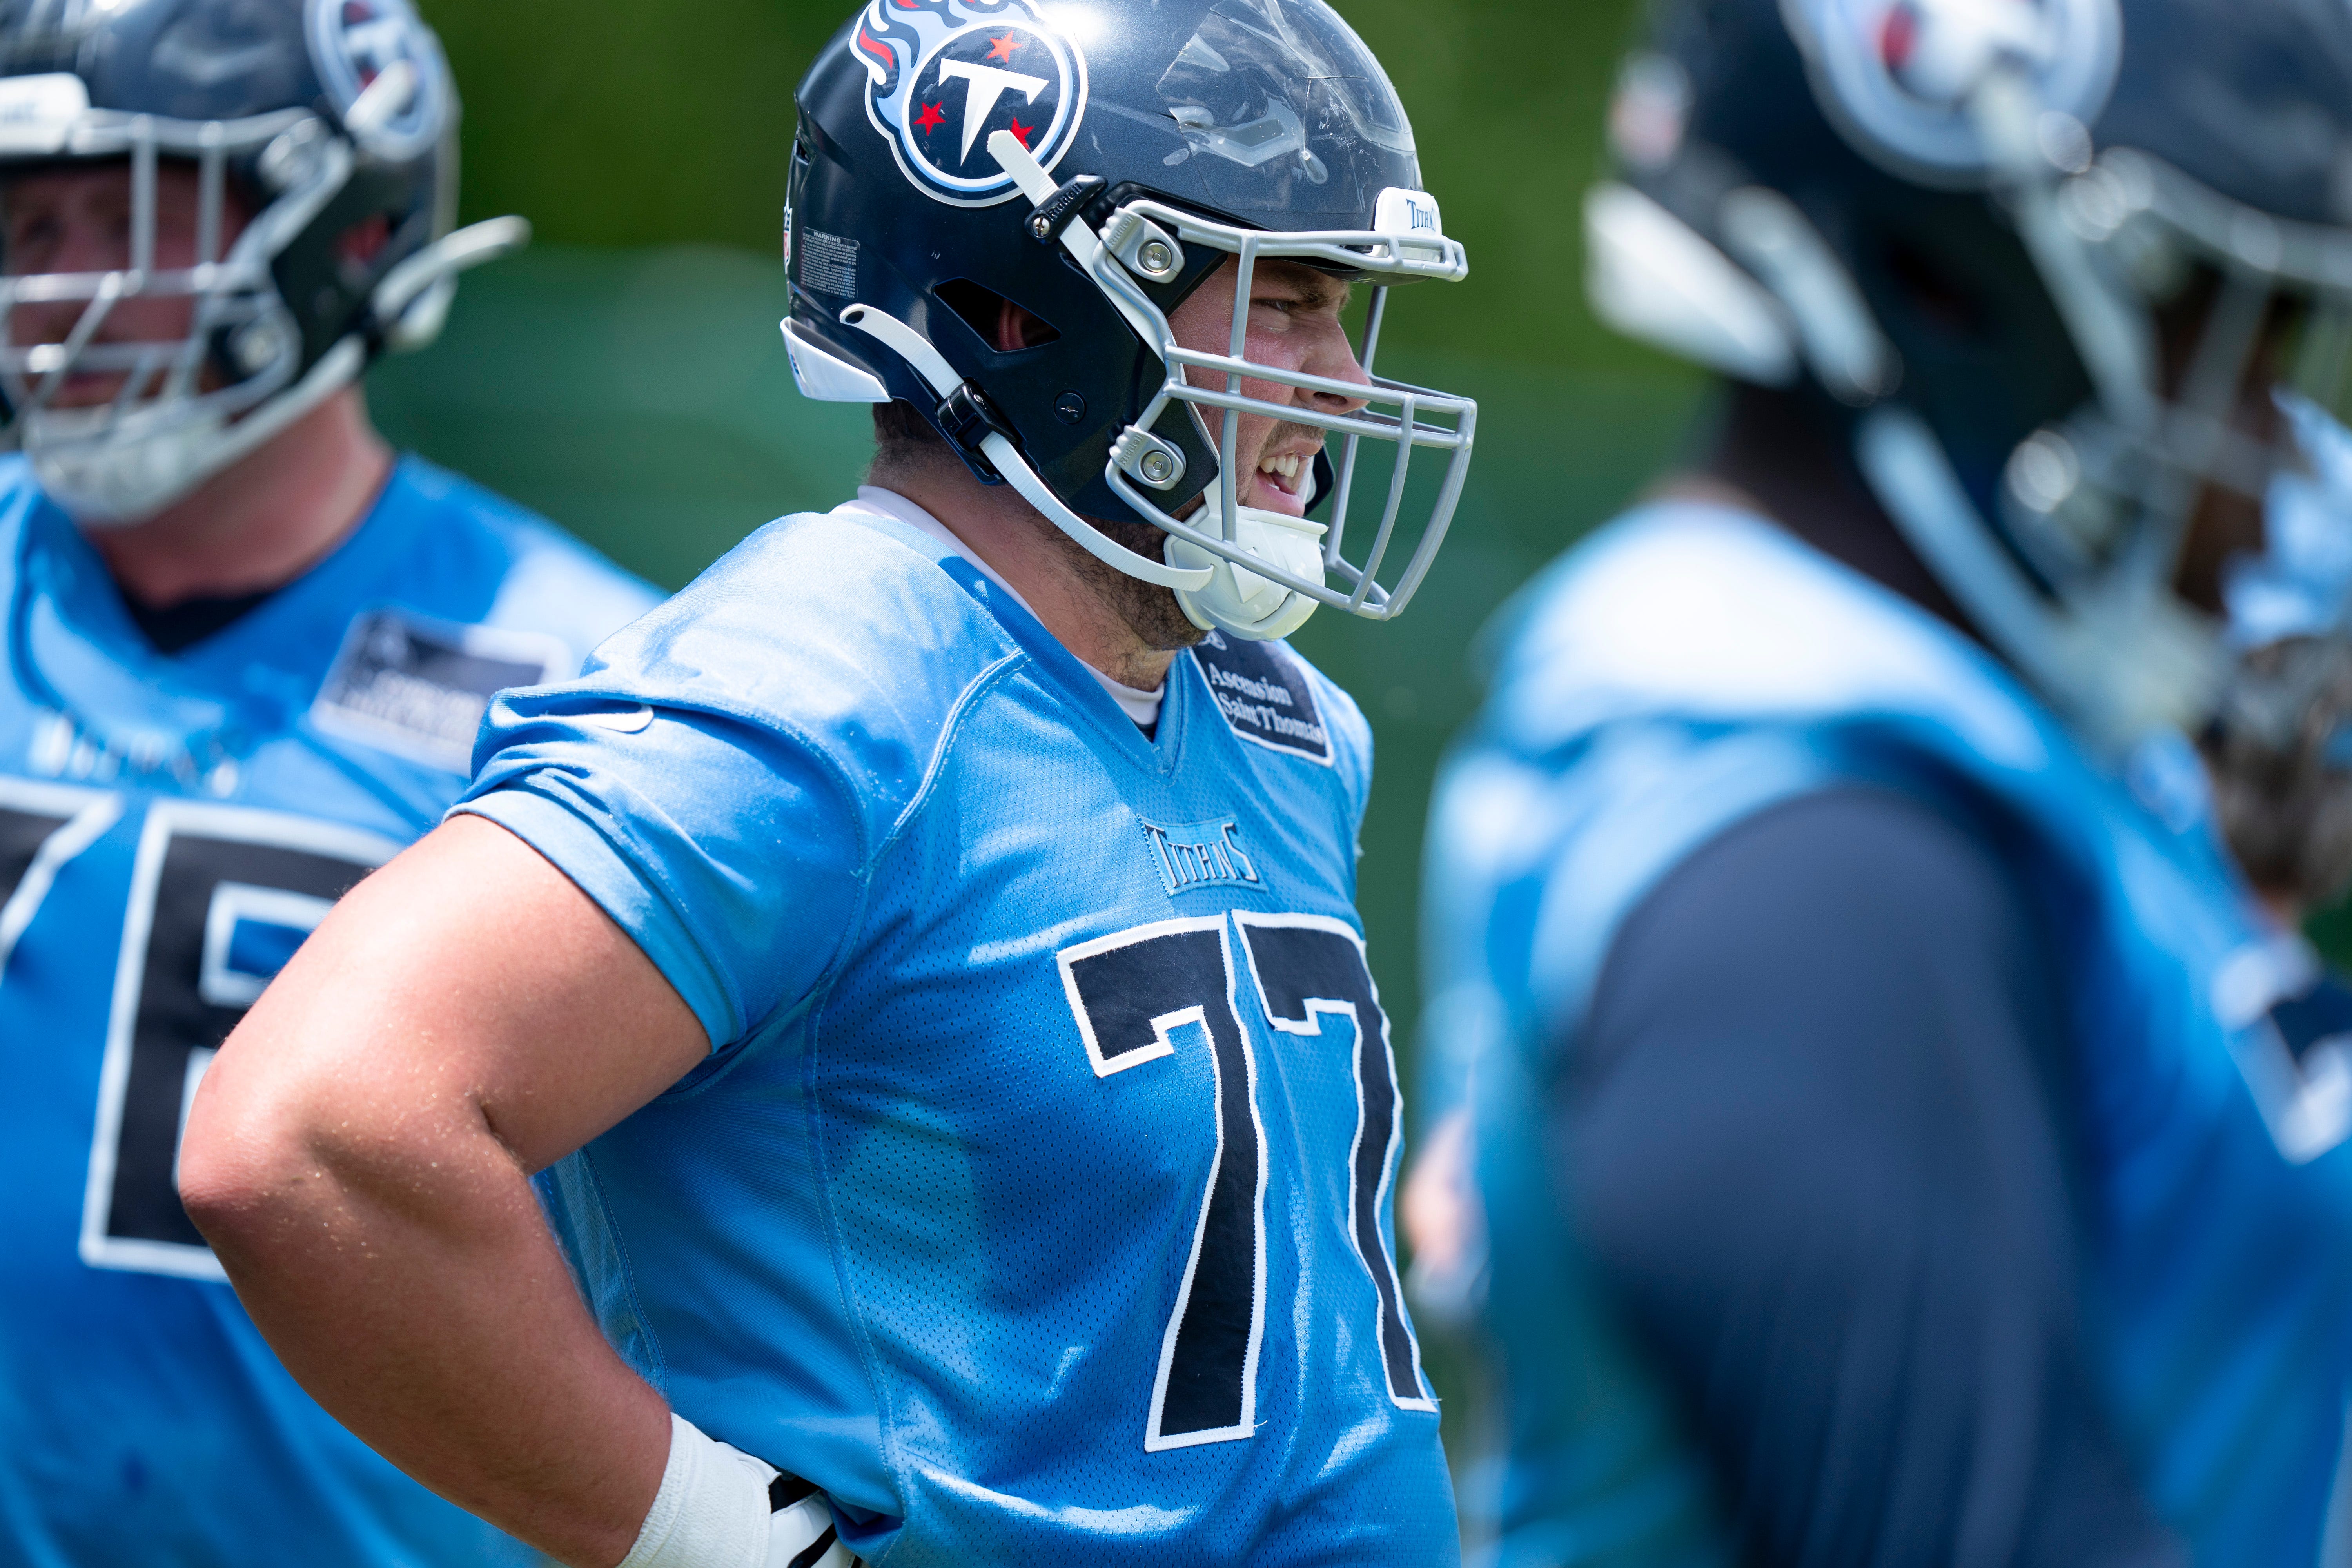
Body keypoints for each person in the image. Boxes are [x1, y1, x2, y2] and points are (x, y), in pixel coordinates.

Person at [177, 1, 1479, 1564]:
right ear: (1026, 311)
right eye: (1288, 300)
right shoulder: (829, 684)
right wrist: (726, 1542)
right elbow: (311, 1133)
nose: (1335, 380)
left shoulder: (1277, 714)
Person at [1406, 0, 2352, 1560]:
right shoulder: (1805, 859)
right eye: (2226, 351)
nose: (2269, 485)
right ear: (1961, 284)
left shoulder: (1974, 748)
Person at [0, 0, 661, 1562]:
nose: (59, 292)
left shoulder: (595, 676)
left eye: (130, 216)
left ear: (342, 228)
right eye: (31, 224)